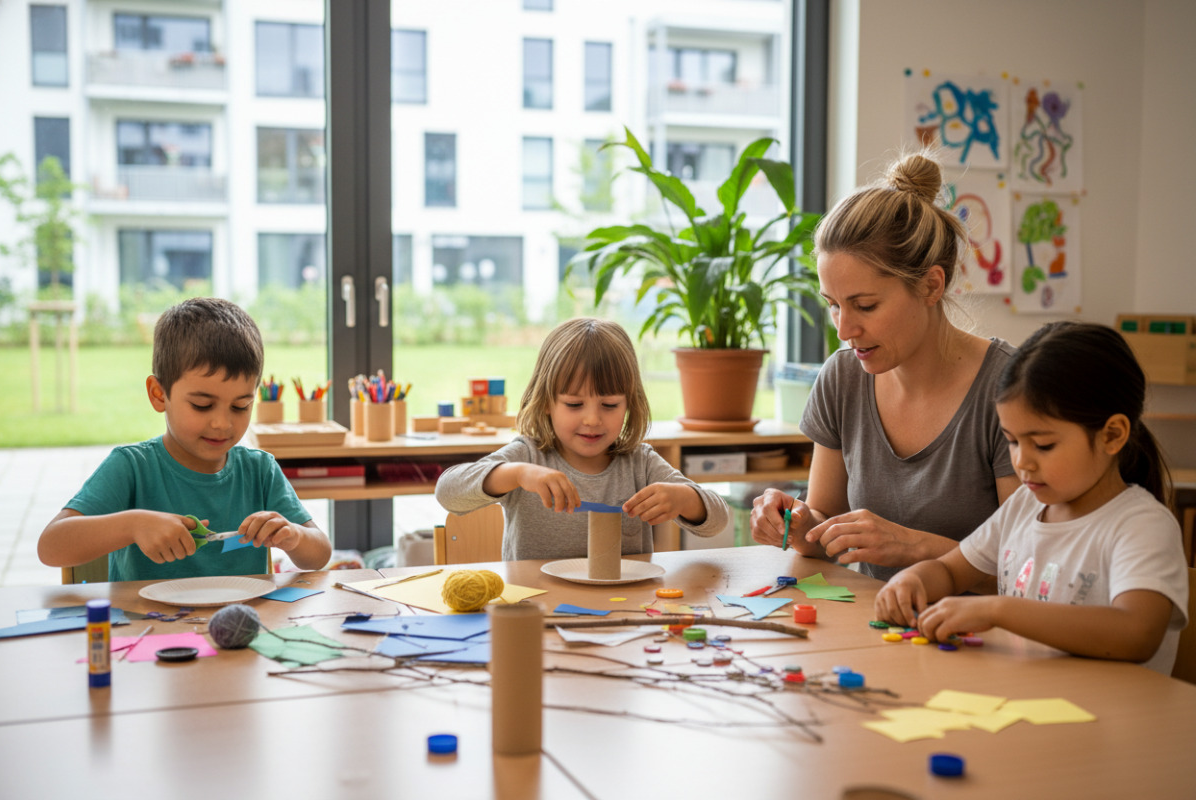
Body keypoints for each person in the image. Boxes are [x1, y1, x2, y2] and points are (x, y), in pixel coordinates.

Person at [750, 150, 1021, 581]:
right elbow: (823, 529)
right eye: (833, 305)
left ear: (932, 285)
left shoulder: (1011, 387)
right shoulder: (842, 378)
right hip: (877, 617)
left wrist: (915, 547)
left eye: (865, 305)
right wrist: (796, 525)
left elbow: (1030, 569)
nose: (844, 329)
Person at [875, 321, 1188, 674]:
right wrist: (911, 581)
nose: (1021, 461)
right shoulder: (1025, 505)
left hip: (1111, 707)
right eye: (1012, 441)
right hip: (1032, 696)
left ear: (1112, 435)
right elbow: (949, 570)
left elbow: (1137, 634)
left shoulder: (1142, 526)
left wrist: (997, 610)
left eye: (1043, 445)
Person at [38, 297, 331, 581]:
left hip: (242, 615)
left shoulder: (260, 470)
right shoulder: (132, 467)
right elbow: (50, 547)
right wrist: (132, 525)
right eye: (202, 405)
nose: (222, 423)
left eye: (241, 406)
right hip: (148, 616)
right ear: (158, 394)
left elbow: (319, 555)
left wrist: (294, 536)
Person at [435, 317, 730, 561]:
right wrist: (517, 474)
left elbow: (717, 521)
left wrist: (684, 498)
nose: (592, 419)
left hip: (624, 606)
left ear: (629, 404)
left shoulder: (639, 463)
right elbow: (447, 491)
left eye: (610, 405)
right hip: (539, 604)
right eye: (574, 404)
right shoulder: (528, 457)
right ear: (546, 402)